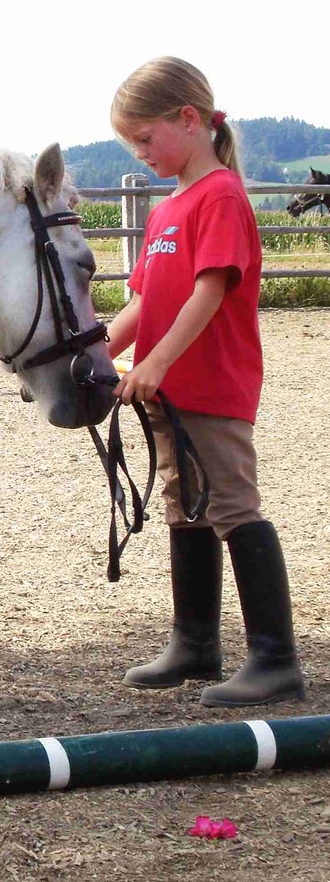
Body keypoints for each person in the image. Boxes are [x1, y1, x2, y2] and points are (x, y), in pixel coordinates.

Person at [105, 56, 304, 707]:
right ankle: (194, 644)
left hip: (211, 385)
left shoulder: (219, 196)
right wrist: (102, 349)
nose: (140, 152)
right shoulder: (167, 210)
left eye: (144, 138)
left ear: (186, 120)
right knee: (182, 505)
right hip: (167, 393)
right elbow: (143, 300)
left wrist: (154, 361)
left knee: (230, 507)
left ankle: (275, 660)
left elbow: (209, 291)